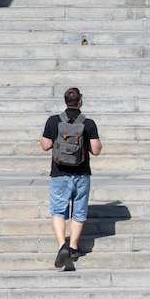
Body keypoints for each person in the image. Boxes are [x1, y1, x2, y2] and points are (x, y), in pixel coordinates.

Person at [40, 88, 102, 269]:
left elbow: (45, 145)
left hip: (59, 174)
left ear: (65, 101)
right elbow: (96, 150)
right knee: (79, 212)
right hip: (81, 174)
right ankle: (74, 246)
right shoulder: (88, 123)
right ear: (80, 102)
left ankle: (62, 246)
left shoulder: (53, 121)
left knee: (58, 211)